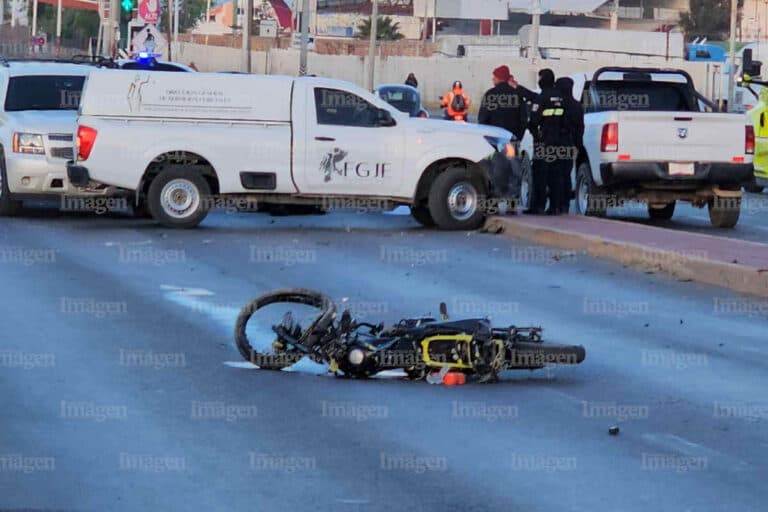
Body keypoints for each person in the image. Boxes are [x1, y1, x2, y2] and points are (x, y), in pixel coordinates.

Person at [555, 77, 584, 214]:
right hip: (570, 144)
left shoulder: (557, 104)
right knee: (566, 174)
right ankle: (565, 204)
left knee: (555, 175)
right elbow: (580, 129)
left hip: (556, 143)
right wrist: (578, 146)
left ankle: (557, 204)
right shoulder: (577, 106)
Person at [478, 65, 529, 141]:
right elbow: (523, 119)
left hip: (493, 138)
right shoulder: (517, 94)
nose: (493, 79)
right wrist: (518, 137)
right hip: (512, 137)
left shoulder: (490, 94)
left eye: (494, 77)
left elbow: (482, 118)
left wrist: (486, 136)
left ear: (499, 78)